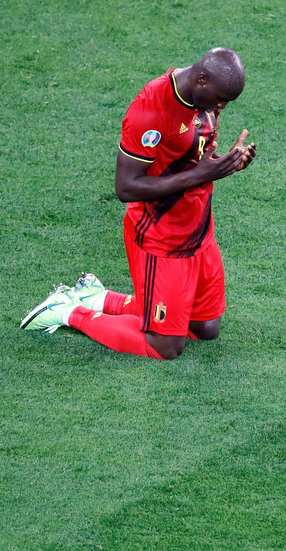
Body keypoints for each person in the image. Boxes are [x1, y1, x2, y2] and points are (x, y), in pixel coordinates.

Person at [20, 47, 256, 360]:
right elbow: (126, 187)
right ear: (202, 79)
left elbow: (191, 156)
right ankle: (66, 311)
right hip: (161, 237)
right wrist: (201, 175)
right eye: (222, 99)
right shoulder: (151, 108)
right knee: (165, 346)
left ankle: (97, 297)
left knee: (205, 328)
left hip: (198, 229)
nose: (222, 107)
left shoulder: (204, 98)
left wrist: (228, 163)